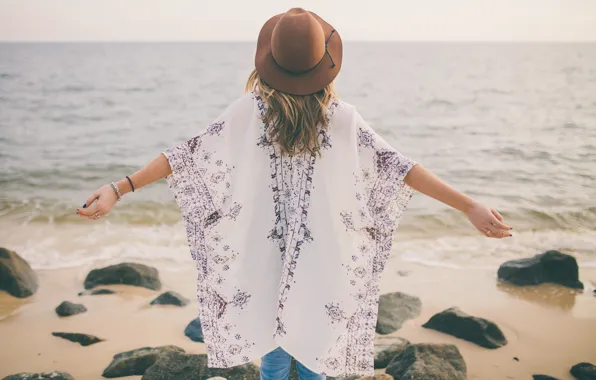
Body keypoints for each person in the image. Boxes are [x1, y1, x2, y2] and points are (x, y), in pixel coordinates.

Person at [77, 7, 512, 380]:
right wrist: (468, 205)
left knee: (273, 356)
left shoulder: (247, 112)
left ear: (268, 62)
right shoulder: (342, 119)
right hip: (324, 260)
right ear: (326, 65)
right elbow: (404, 170)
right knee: (314, 358)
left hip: (261, 260)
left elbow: (183, 157)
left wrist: (120, 188)